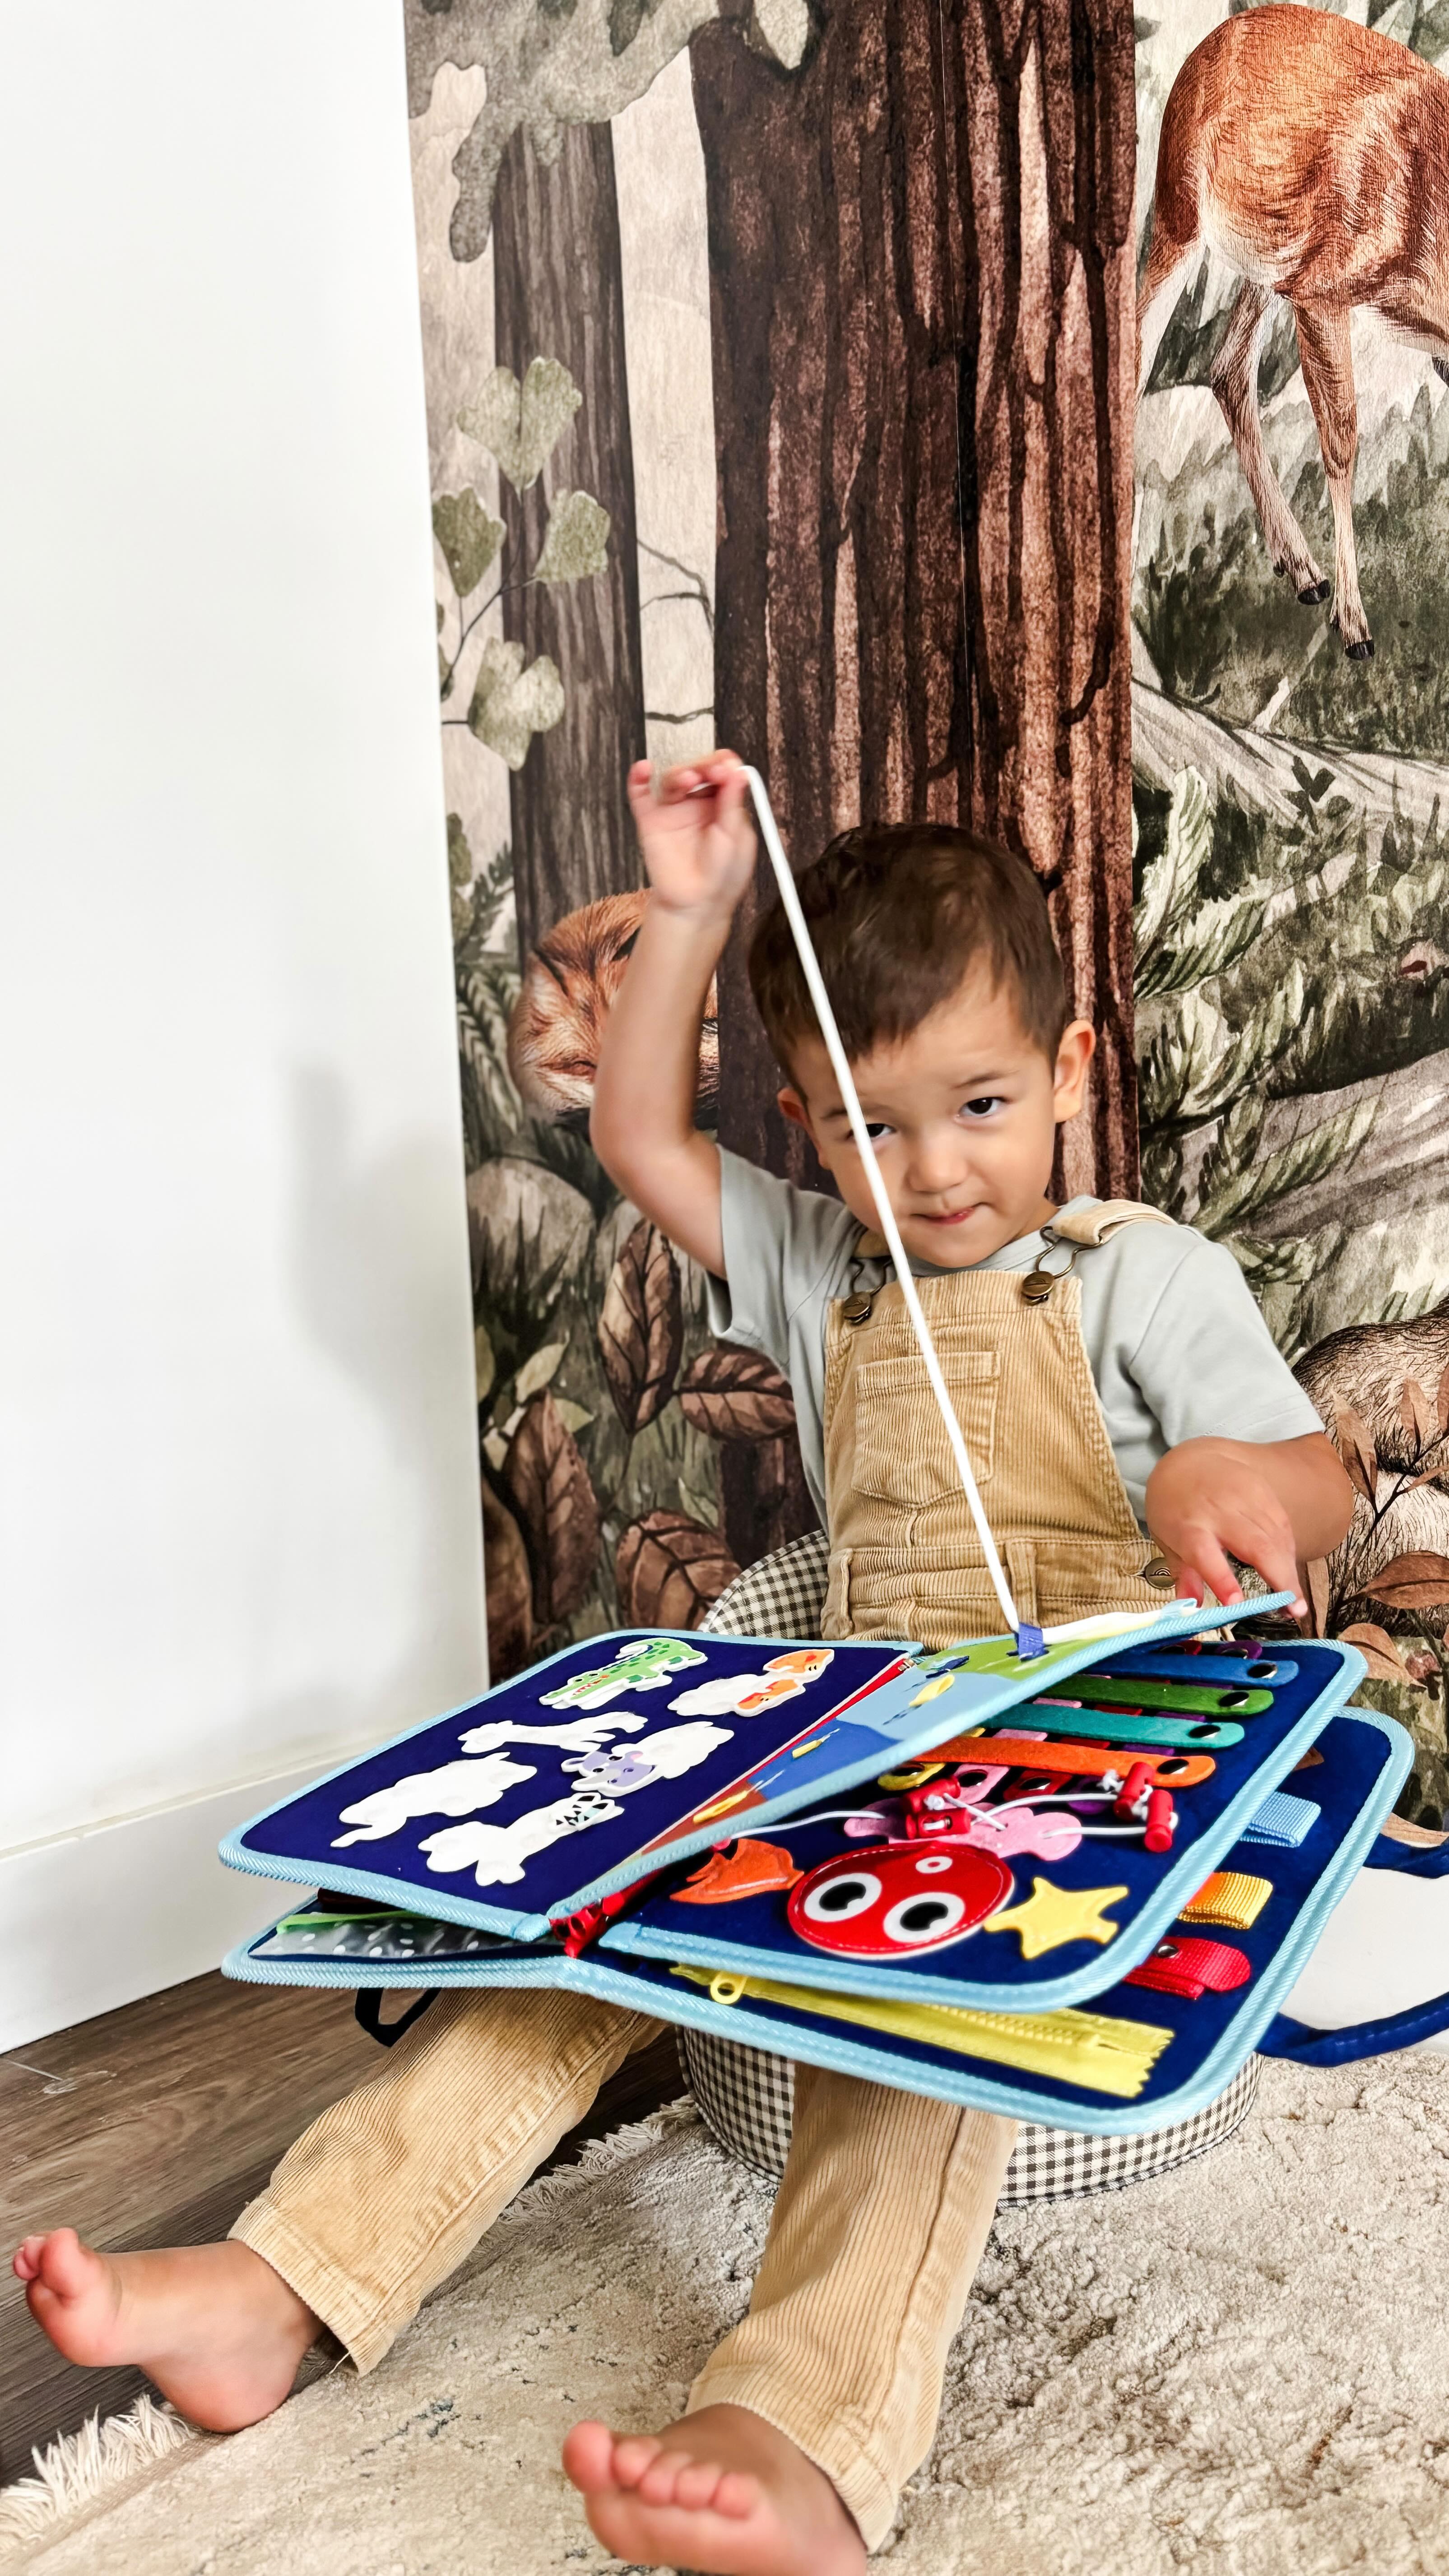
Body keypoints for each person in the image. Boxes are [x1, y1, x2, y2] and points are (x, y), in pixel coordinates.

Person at [13, 754, 1353, 2576]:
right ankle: (288, 2277)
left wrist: (1227, 1481)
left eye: (977, 1105)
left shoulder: (1140, 1277)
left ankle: (801, 2424)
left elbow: (1313, 1478)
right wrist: (697, 908)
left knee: (901, 2012)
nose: (930, 1170)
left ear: (1065, 1070)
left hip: (1071, 1781)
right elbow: (641, 1137)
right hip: (845, 1736)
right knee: (571, 1928)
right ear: (806, 1126)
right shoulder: (820, 1269)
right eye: (868, 1129)